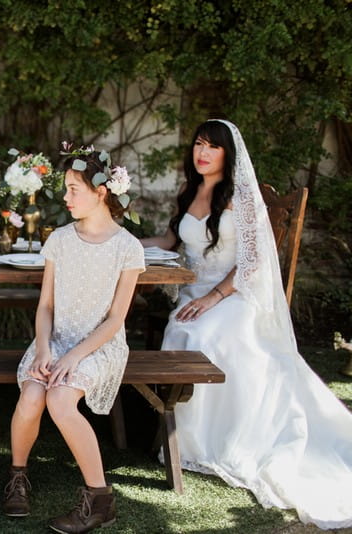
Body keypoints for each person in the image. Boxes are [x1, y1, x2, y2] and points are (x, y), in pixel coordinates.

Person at [141, 119, 352, 528]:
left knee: (204, 333)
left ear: (227, 154)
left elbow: (252, 263)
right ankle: (182, 434)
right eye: (198, 144)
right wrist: (114, 240)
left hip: (233, 295)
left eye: (212, 147)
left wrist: (212, 297)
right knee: (182, 328)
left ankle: (210, 441)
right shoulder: (190, 191)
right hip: (191, 293)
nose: (202, 152)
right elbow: (168, 244)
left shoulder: (240, 197)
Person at [3, 150, 145, 533]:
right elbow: (45, 305)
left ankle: (99, 499)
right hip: (54, 340)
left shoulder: (128, 247)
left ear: (101, 192)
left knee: (60, 399)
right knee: (32, 396)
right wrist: (46, 349)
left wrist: (74, 358)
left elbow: (116, 319)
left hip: (99, 346)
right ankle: (18, 476)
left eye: (72, 189)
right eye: (65, 190)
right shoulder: (61, 240)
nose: (65, 198)